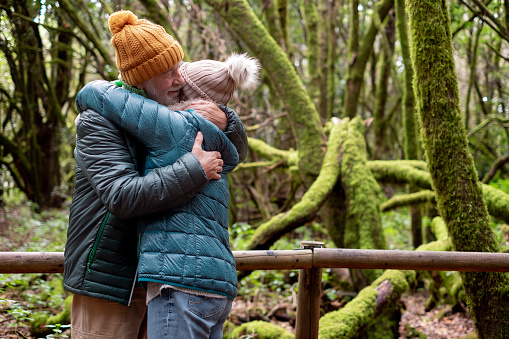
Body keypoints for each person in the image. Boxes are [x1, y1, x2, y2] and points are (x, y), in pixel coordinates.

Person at [63, 10, 248, 339]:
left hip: (163, 279)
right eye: (168, 73)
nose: (180, 80)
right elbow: (121, 196)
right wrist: (194, 169)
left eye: (179, 68)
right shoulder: (98, 122)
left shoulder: (168, 113)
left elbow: (233, 155)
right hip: (111, 280)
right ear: (141, 77)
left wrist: (225, 120)